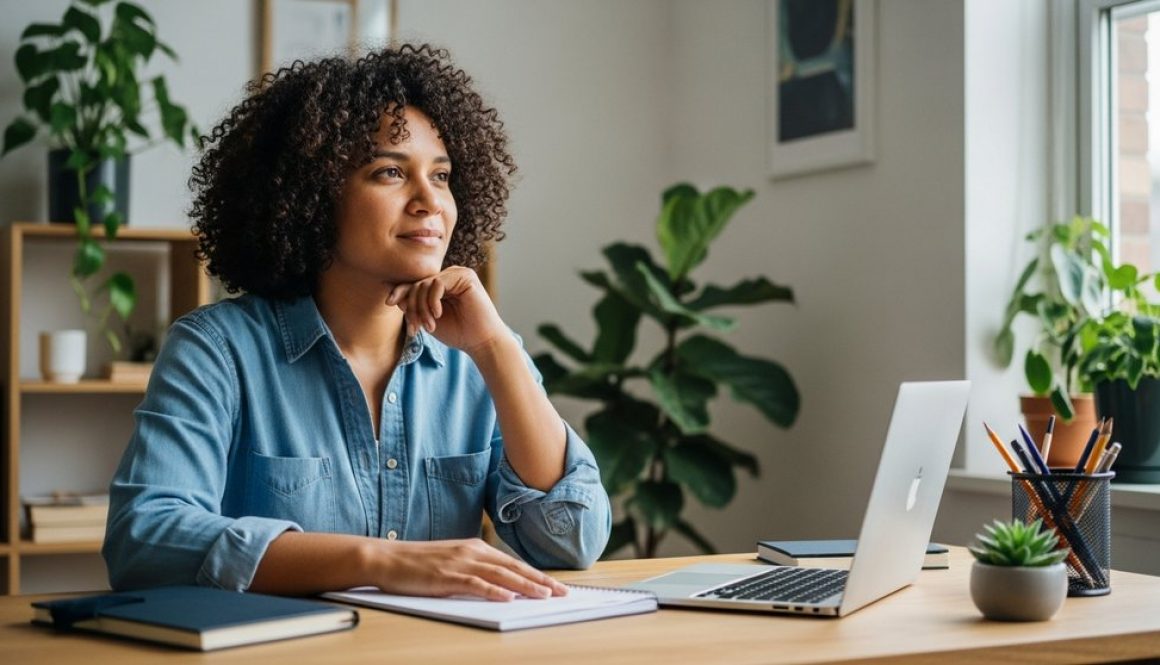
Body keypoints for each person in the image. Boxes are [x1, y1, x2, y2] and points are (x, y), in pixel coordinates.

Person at [102, 44, 611, 601]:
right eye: (390, 171)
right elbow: (144, 538)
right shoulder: (217, 351)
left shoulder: (477, 355)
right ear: (313, 195)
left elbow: (572, 540)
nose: (429, 202)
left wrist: (494, 346)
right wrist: (382, 562)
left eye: (441, 176)